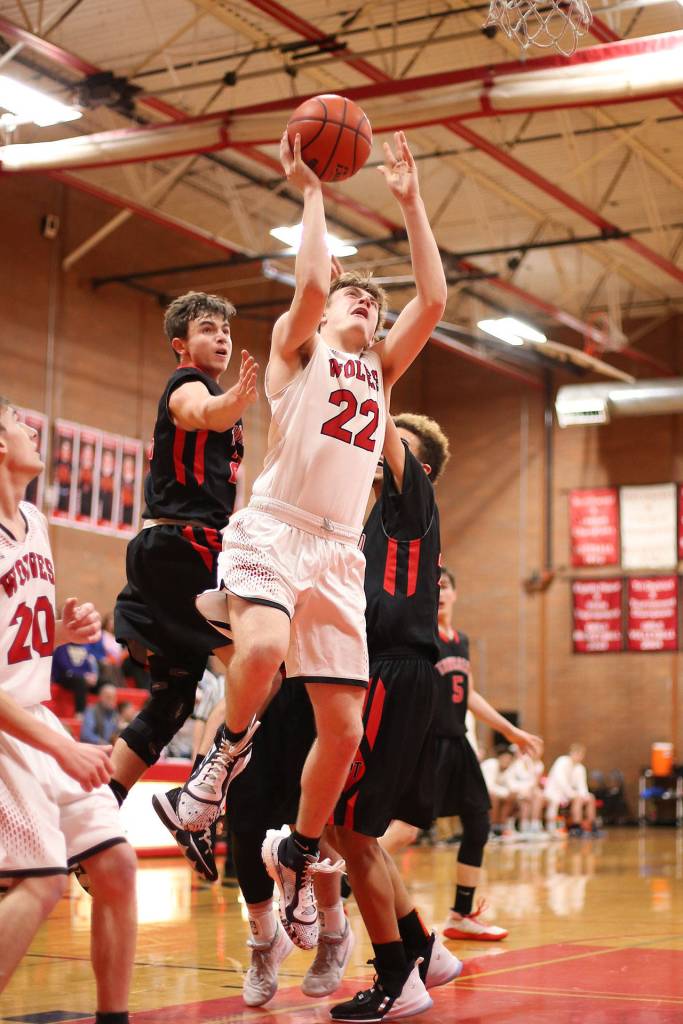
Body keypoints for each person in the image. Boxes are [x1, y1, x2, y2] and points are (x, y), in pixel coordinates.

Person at [177, 129, 448, 955]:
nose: (364, 305)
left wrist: (408, 200)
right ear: (326, 313)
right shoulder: (301, 354)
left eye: (373, 301)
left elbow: (431, 301)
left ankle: (297, 852)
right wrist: (313, 191)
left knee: (343, 731)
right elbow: (307, 279)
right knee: (259, 648)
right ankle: (216, 766)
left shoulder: (381, 374)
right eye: (351, 298)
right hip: (274, 528)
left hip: (337, 553)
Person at [109, 291, 257, 882]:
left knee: (172, 700)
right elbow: (201, 412)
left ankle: (96, 818)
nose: (220, 336)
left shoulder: (218, 396)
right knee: (258, 669)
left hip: (170, 552)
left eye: (225, 328)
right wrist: (234, 400)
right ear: (180, 344)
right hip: (181, 552)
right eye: (206, 328)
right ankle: (197, 801)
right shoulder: (189, 386)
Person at [0, 396, 137, 1015]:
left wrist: (61, 631)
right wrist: (62, 746)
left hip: (38, 718)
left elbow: (16, 640)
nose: (30, 427)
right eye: (15, 422)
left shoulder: (36, 519)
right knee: (42, 881)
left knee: (116, 866)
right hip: (10, 730)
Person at [328, 413, 460, 1022]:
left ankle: (395, 979)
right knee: (351, 828)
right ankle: (420, 951)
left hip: (394, 669)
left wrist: (364, 376)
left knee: (351, 831)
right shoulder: (371, 515)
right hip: (382, 669)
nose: (375, 443)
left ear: (421, 469)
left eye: (391, 440)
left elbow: (377, 420)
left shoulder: (413, 500)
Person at [433, 568, 543, 941]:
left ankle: (461, 914)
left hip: (457, 741)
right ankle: (338, 895)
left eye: (445, 586)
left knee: (478, 821)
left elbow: (469, 695)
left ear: (456, 593)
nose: (440, 593)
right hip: (427, 742)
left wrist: (510, 731)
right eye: (433, 589)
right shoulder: (420, 638)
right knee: (404, 830)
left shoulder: (460, 641)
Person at [544, 743, 598, 836]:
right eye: (576, 753)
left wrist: (584, 795)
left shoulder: (580, 768)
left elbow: (582, 786)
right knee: (577, 798)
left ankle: (592, 826)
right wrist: (573, 794)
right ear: (571, 753)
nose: (578, 756)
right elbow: (561, 782)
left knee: (590, 798)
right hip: (557, 792)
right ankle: (576, 826)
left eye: (581, 754)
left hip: (570, 794)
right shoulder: (562, 762)